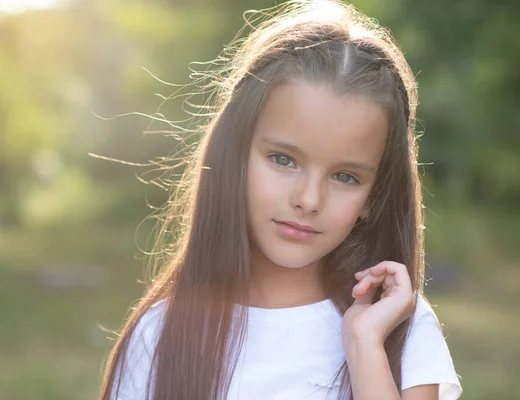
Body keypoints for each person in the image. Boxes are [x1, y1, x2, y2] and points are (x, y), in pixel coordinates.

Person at [99, 0, 462, 399]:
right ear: (234, 155)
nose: (308, 199)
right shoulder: (161, 335)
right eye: (283, 160)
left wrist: (363, 347)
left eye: (345, 176)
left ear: (374, 196)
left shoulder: (396, 330)